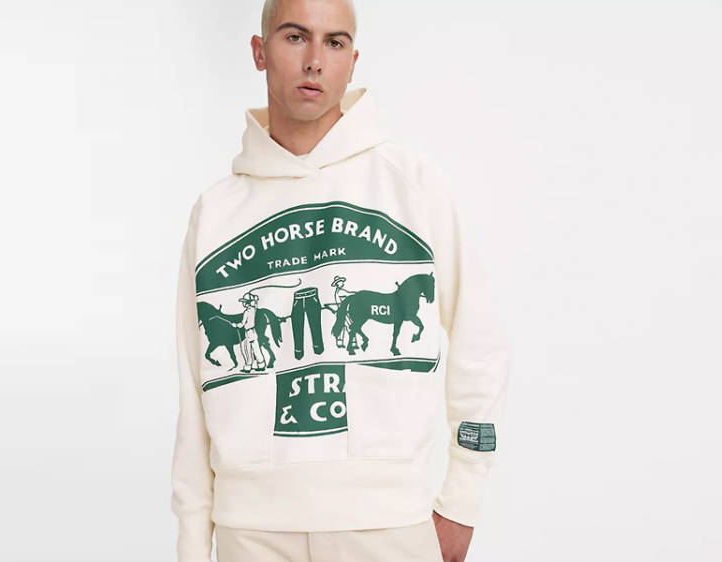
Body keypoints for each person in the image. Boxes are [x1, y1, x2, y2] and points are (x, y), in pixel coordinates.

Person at [170, 0, 511, 560]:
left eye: (334, 43)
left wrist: (462, 499)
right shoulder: (215, 212)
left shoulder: (412, 185)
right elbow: (192, 387)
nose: (315, 61)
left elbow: (481, 342)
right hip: (249, 533)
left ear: (353, 61)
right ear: (259, 51)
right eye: (295, 37)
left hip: (385, 526)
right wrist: (191, 540)